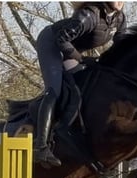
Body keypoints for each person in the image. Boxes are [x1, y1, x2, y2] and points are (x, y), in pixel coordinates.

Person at [34, 2, 126, 167]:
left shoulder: (119, 18)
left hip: (71, 49)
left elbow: (121, 47)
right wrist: (82, 59)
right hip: (51, 43)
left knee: (84, 87)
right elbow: (61, 38)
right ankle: (41, 147)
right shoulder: (89, 15)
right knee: (54, 89)